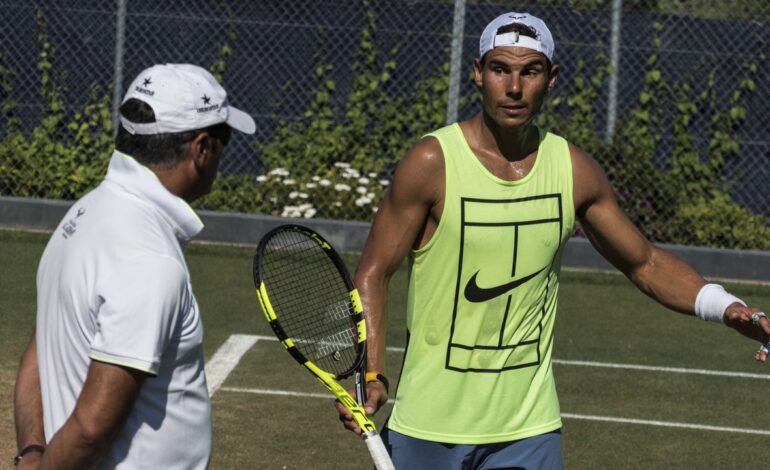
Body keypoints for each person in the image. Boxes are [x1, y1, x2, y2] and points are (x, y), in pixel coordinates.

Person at [335, 11, 770, 469]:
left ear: (552, 78)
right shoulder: (432, 161)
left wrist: (725, 306)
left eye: (530, 71)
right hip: (430, 426)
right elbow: (375, 271)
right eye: (501, 69)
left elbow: (645, 263)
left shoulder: (572, 168)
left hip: (529, 429)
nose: (515, 87)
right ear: (478, 73)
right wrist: (371, 372)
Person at [13, 63, 256, 469]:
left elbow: (37, 355)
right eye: (223, 140)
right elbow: (92, 427)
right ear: (202, 148)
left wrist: (33, 453)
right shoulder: (149, 257)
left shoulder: (84, 213)